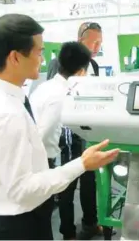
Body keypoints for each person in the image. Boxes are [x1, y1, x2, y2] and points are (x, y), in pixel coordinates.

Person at [0, 14, 119, 240]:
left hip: (19, 217)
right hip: (21, 225)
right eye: (39, 52)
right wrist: (81, 164)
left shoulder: (2, 97)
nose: (42, 60)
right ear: (15, 57)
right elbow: (22, 190)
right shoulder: (7, 114)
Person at [46, 21, 104, 240]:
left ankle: (90, 222)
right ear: (82, 40)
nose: (97, 46)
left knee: (90, 182)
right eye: (94, 42)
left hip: (88, 134)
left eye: (100, 42)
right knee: (67, 185)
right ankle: (67, 232)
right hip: (66, 137)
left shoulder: (95, 66)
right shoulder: (57, 64)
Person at [30, 41, 92, 240]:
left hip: (40, 158)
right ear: (82, 71)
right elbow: (43, 134)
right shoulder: (60, 95)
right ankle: (68, 236)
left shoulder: (45, 87)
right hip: (43, 160)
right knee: (47, 210)